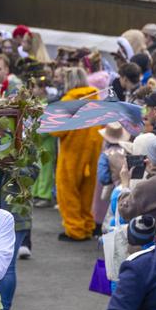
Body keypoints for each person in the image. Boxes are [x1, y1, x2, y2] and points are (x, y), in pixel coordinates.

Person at [52, 67, 101, 241]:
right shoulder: (96, 99)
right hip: (93, 155)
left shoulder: (68, 101)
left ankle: (75, 230)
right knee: (87, 192)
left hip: (72, 155)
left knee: (68, 192)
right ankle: (87, 226)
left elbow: (56, 131)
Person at [117, 134, 156, 232]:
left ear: (152, 159)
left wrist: (125, 184)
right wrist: (153, 174)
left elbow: (125, 211)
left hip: (154, 242)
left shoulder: (144, 188)